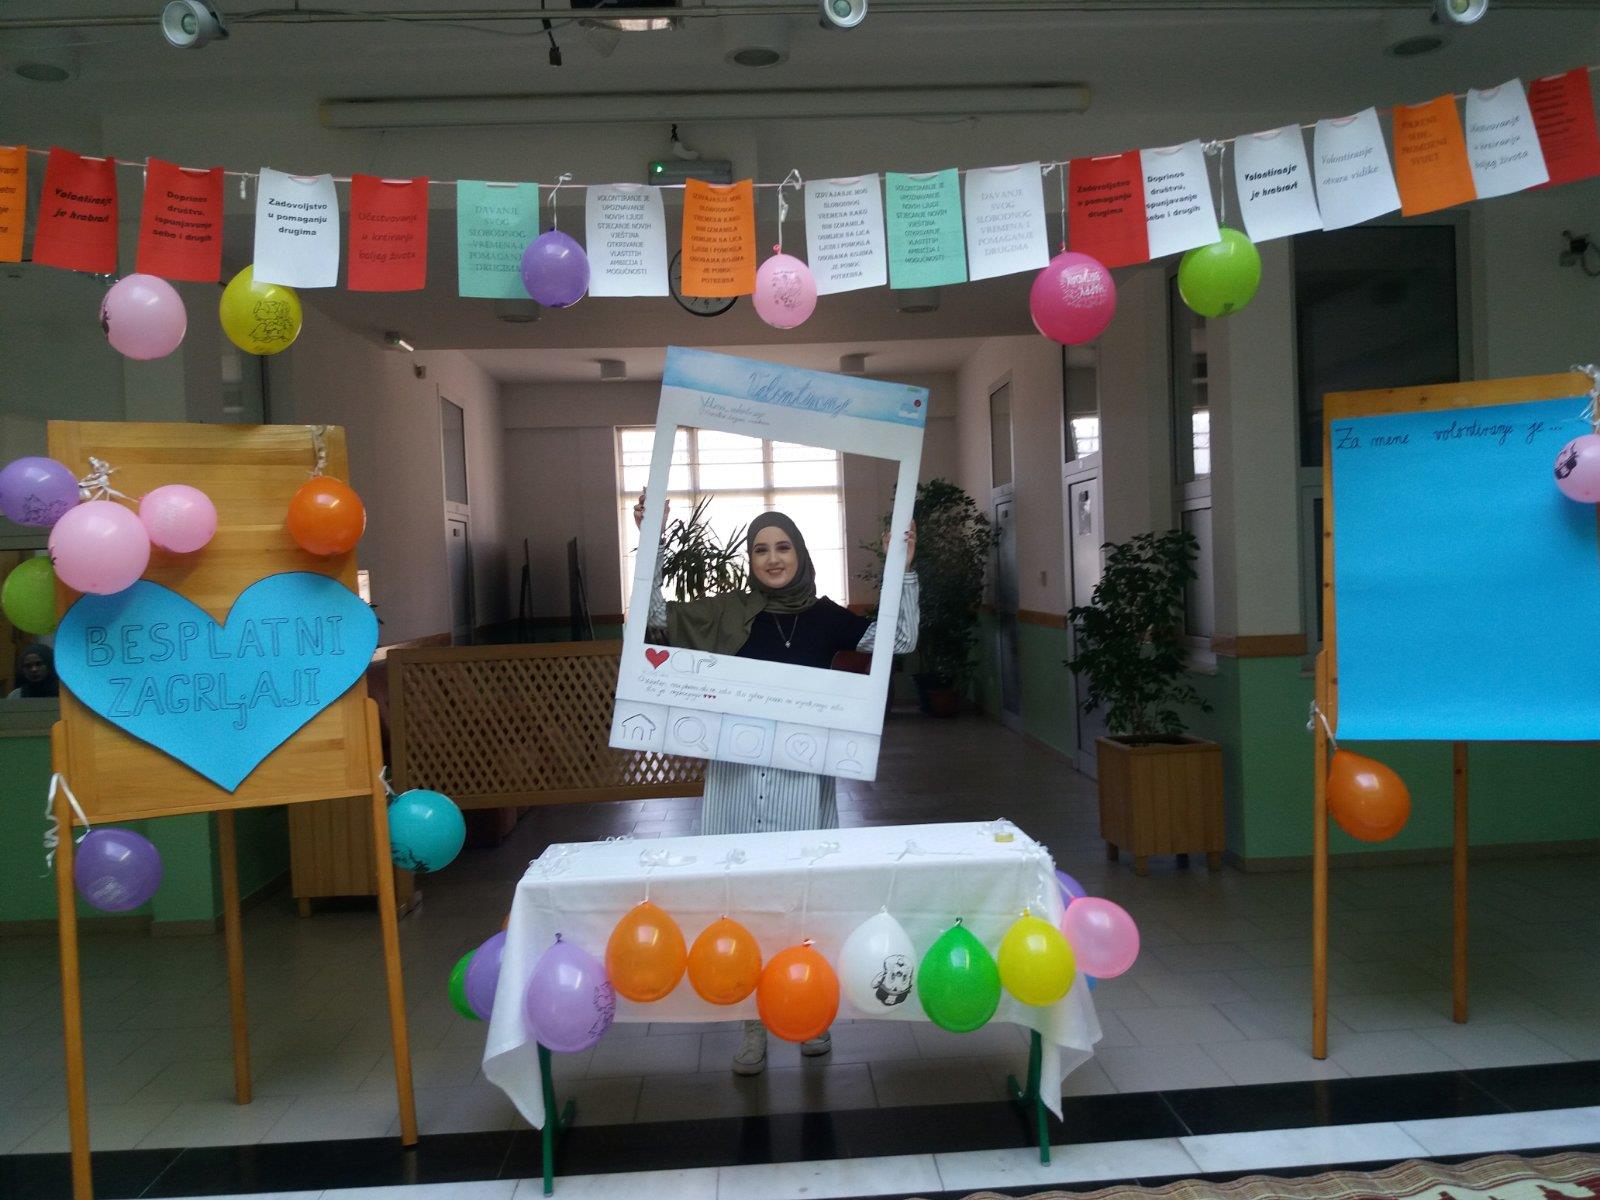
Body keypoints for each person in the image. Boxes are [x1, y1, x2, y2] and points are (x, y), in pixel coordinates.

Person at [636, 495, 919, 1075]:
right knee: (740, 900)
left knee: (803, 896)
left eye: (782, 546)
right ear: (749, 558)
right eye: (760, 549)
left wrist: (903, 568)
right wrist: (651, 540)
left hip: (800, 779)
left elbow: (900, 640)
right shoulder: (726, 612)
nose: (772, 558)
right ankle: (751, 1023)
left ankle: (810, 1011)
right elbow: (653, 616)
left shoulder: (826, 616)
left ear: (800, 553)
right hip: (735, 779)